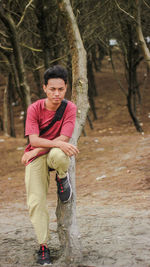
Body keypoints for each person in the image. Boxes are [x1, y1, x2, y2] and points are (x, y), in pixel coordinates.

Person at [21, 65, 79, 265]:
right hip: (37, 156)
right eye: (52, 89)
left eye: (61, 89)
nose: (56, 94)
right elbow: (34, 139)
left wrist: (37, 148)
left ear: (66, 88)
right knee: (36, 202)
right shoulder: (34, 108)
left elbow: (63, 138)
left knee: (61, 153)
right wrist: (36, 149)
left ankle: (62, 178)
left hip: (51, 153)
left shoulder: (69, 108)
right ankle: (43, 246)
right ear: (44, 87)